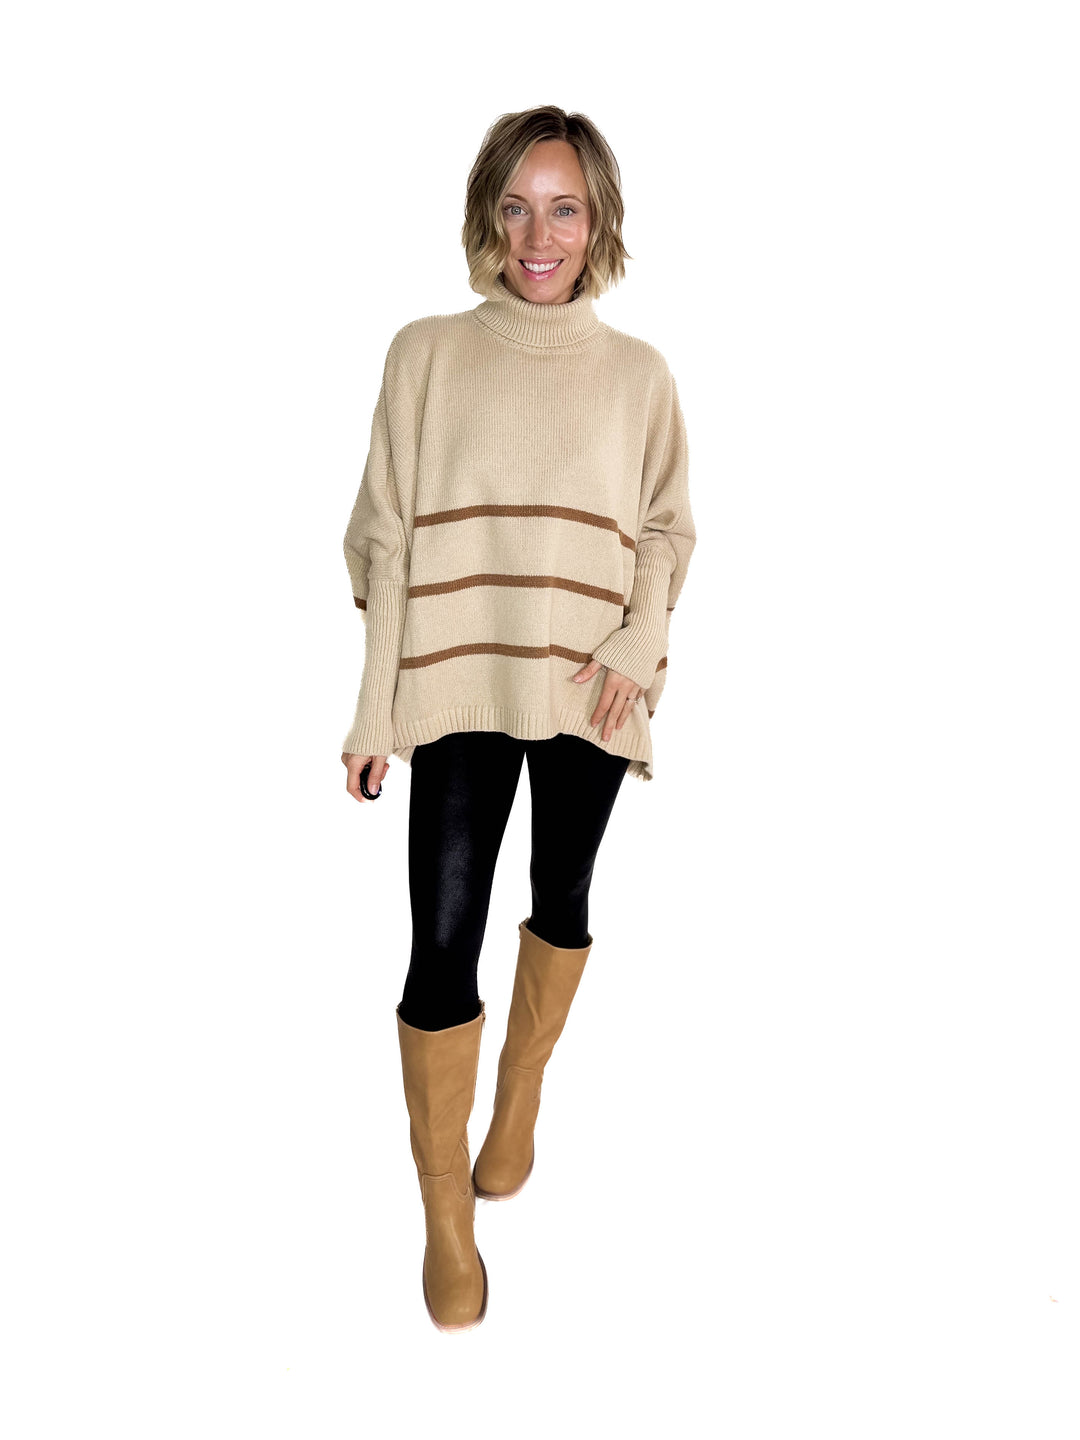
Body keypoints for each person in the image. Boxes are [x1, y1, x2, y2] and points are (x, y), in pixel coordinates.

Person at [338, 106, 696, 1332]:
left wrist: (641, 643)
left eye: (565, 209)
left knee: (561, 897)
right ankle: (446, 1218)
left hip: (594, 681)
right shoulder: (426, 354)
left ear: (598, 224)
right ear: (488, 217)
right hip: (458, 679)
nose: (539, 236)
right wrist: (374, 710)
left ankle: (523, 1089)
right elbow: (384, 539)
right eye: (516, 207)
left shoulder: (640, 375)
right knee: (441, 943)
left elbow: (666, 530)